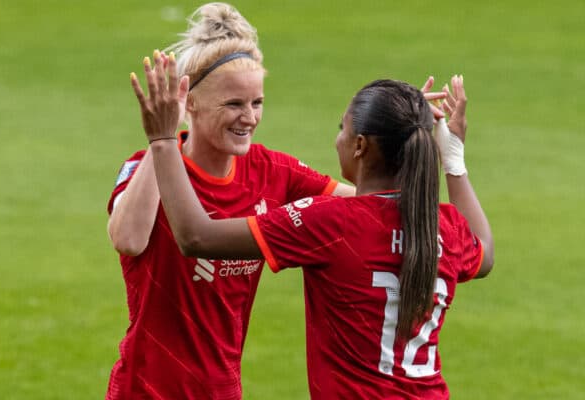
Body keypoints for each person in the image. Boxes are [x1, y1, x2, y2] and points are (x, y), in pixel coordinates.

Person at [131, 44, 494, 399]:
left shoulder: (332, 223)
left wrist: (163, 139)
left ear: (360, 146)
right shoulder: (443, 226)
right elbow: (485, 254)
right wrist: (455, 159)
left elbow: (196, 237)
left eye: (343, 129)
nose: (337, 139)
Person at [105, 3, 360, 399]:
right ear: (188, 101)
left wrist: (402, 140)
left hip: (222, 389)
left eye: (256, 103)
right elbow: (128, 240)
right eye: (234, 104)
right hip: (145, 389)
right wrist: (162, 139)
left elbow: (368, 204)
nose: (249, 118)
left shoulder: (272, 171)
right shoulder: (147, 165)